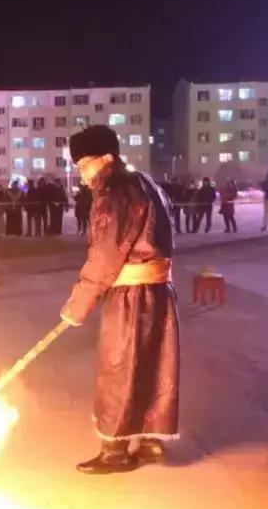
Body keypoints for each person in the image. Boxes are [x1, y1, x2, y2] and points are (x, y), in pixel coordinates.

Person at [60, 125, 179, 474]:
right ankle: (150, 441)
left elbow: (106, 253)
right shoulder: (145, 182)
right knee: (153, 364)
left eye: (85, 166)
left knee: (120, 367)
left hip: (130, 295)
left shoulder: (114, 191)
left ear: (107, 159)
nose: (82, 176)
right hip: (158, 292)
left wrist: (78, 304)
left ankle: (115, 452)